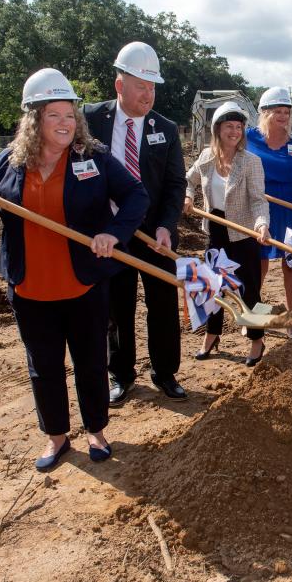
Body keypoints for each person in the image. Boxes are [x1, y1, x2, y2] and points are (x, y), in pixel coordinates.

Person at [0, 68, 149, 471]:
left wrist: (112, 234)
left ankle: (96, 430)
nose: (65, 124)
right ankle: (56, 437)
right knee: (43, 366)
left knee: (91, 362)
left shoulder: (93, 158)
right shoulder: (8, 163)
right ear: (34, 119)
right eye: (54, 115)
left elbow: (136, 195)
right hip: (30, 289)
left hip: (82, 285)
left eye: (70, 115)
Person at [82, 42, 187, 405]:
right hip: (109, 233)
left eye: (152, 86)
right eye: (141, 85)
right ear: (119, 84)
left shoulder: (166, 129)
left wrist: (166, 226)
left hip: (153, 233)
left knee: (161, 302)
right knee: (116, 306)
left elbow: (176, 184)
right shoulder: (90, 119)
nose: (148, 93)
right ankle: (121, 374)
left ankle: (165, 372)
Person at [185, 102, 271, 365]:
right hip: (216, 229)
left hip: (243, 232)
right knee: (213, 287)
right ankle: (212, 334)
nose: (234, 131)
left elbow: (258, 200)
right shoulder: (206, 158)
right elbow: (188, 179)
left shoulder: (251, 162)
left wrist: (261, 224)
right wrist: (188, 195)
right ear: (218, 129)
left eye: (238, 127)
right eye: (229, 126)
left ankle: (257, 340)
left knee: (250, 289)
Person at [245, 87, 292, 337]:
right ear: (264, 113)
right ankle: (253, 318)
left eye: (287, 112)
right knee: (259, 264)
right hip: (260, 206)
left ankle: (290, 317)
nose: (284, 116)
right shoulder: (249, 139)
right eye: (278, 111)